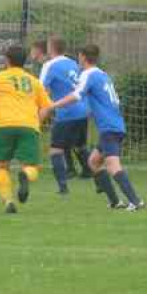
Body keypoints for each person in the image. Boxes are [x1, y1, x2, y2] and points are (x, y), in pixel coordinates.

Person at [46, 44, 144, 211]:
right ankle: (115, 201)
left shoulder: (88, 74)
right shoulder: (103, 75)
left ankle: (135, 201)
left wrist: (53, 105)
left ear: (83, 56)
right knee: (93, 162)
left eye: (79, 56)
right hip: (114, 125)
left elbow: (76, 95)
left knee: (113, 165)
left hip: (109, 127)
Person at [0, 44, 52, 214]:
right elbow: (47, 107)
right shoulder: (34, 81)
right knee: (32, 166)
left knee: (2, 167)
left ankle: (8, 201)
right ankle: (25, 174)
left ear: (6, 60)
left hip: (4, 126)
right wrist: (35, 123)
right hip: (28, 126)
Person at [38, 37, 91, 194]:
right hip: (83, 111)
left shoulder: (49, 65)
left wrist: (40, 114)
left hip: (67, 112)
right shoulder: (73, 63)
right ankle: (90, 173)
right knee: (80, 145)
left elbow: (40, 90)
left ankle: (63, 187)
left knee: (55, 150)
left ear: (50, 48)